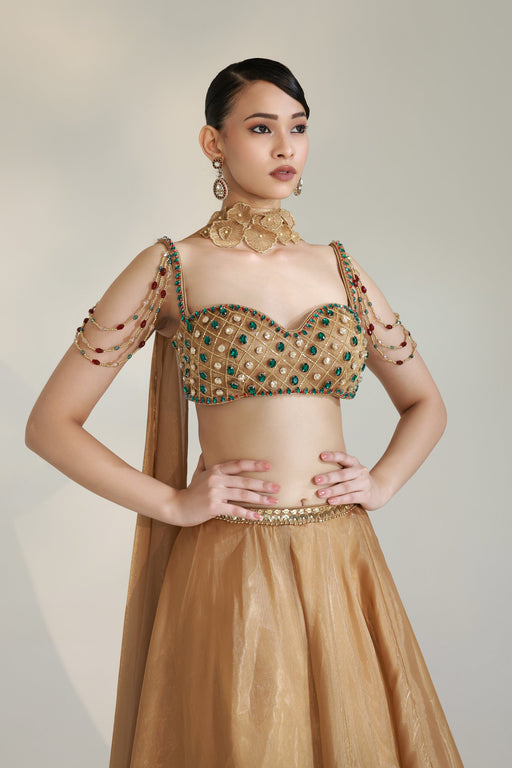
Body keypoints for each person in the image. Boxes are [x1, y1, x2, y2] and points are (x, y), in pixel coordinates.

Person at [25, 58, 464, 767]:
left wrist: (381, 482)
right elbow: (49, 425)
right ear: (214, 142)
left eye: (298, 127)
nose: (286, 147)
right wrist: (173, 503)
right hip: (230, 562)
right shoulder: (174, 267)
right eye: (261, 128)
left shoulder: (338, 267)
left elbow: (425, 404)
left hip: (341, 560)